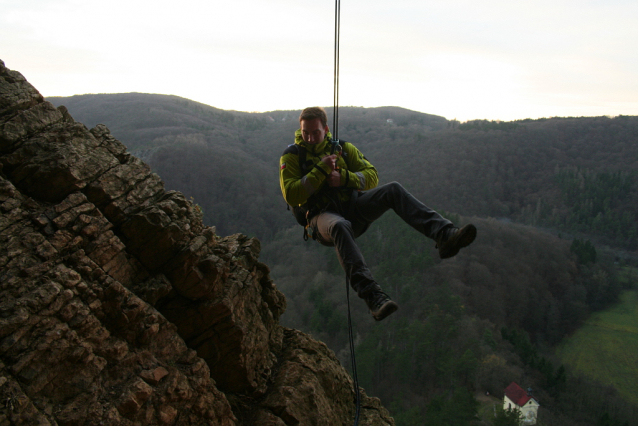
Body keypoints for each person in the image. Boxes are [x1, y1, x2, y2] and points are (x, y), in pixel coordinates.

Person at [279, 107, 476, 321]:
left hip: (352, 209)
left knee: (393, 190)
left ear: (326, 129)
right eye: (305, 133)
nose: (309, 138)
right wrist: (321, 170)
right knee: (339, 225)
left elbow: (372, 176)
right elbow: (291, 194)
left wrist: (344, 178)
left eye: (315, 132)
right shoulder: (292, 156)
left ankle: (444, 234)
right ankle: (373, 296)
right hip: (321, 219)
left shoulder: (343, 148)